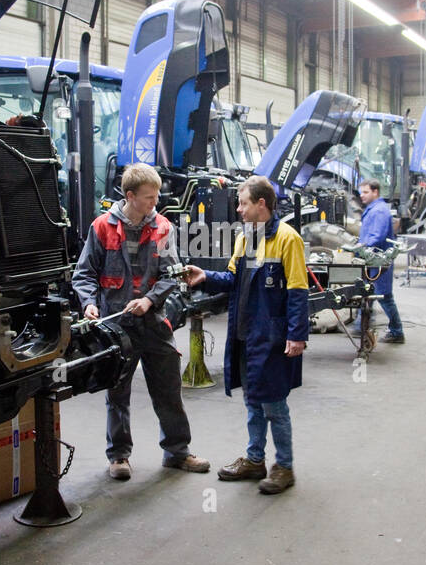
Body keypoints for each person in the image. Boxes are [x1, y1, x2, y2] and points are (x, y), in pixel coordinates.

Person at [72, 163, 210, 480]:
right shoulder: (102, 227)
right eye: (149, 197)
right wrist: (90, 304)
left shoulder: (162, 228)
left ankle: (177, 452)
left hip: (152, 322)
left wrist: (149, 300)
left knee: (168, 390)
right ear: (130, 196)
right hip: (115, 325)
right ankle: (119, 456)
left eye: (157, 195)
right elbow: (84, 274)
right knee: (117, 392)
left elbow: (171, 275)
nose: (155, 202)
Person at [185, 175, 307, 494]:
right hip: (246, 335)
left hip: (272, 337)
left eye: (243, 203)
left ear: (261, 204)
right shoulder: (247, 238)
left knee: (274, 405)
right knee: (253, 401)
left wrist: (297, 335)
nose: (239, 209)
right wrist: (204, 277)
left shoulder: (287, 238)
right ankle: (255, 460)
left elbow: (297, 290)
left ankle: (285, 467)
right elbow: (232, 280)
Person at [356, 179, 404, 344]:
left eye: (366, 192)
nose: (362, 195)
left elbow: (376, 236)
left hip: (378, 261)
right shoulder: (374, 209)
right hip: (372, 261)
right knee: (367, 292)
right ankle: (359, 325)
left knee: (384, 295)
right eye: (361, 192)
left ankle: (397, 331)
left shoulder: (379, 211)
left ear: (375, 192)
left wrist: (359, 248)